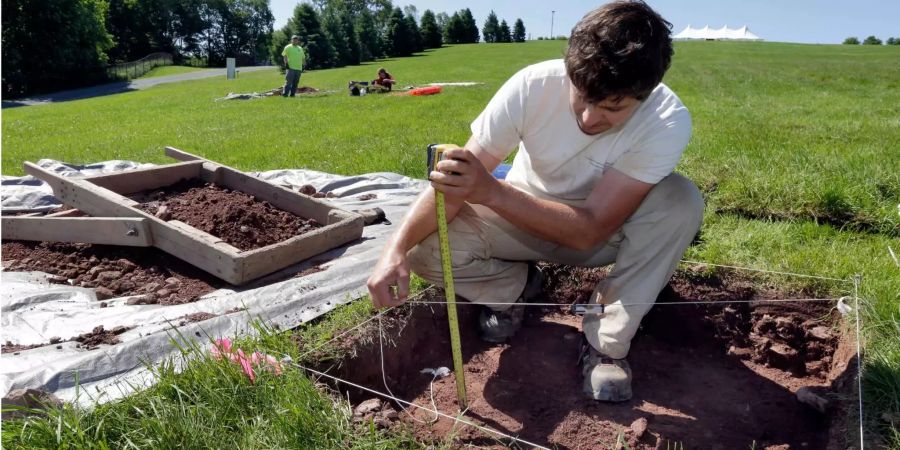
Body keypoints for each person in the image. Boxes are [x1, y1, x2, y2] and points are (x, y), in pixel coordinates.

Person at [367, 0, 703, 403]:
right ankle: (517, 288)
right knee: (425, 250)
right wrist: (394, 249)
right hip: (518, 221)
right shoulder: (532, 86)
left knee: (680, 200)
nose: (589, 119)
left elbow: (588, 230)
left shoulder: (666, 120)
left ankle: (606, 343)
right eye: (582, 96)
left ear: (645, 95)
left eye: (614, 108)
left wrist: (490, 190)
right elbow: (453, 184)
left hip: (603, 236)